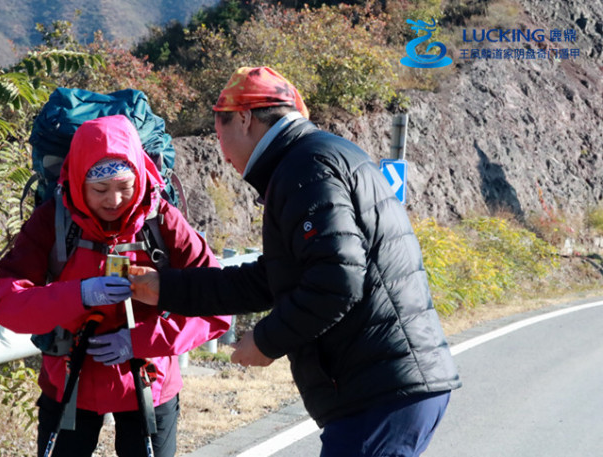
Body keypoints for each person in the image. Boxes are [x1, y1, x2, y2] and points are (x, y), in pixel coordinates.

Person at [129, 66, 462, 457]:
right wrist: (164, 288)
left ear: (244, 117)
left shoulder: (305, 168)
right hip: (388, 385)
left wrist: (267, 341)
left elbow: (337, 281)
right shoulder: (315, 157)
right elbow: (270, 279)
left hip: (378, 391)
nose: (223, 153)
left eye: (221, 136)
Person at [0, 114, 231, 457]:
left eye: (125, 187)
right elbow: (5, 303)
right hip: (70, 379)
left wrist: (141, 341)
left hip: (148, 380)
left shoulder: (160, 219)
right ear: (76, 180)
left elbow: (218, 303)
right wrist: (80, 294)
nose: (114, 201)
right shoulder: (52, 219)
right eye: (100, 189)